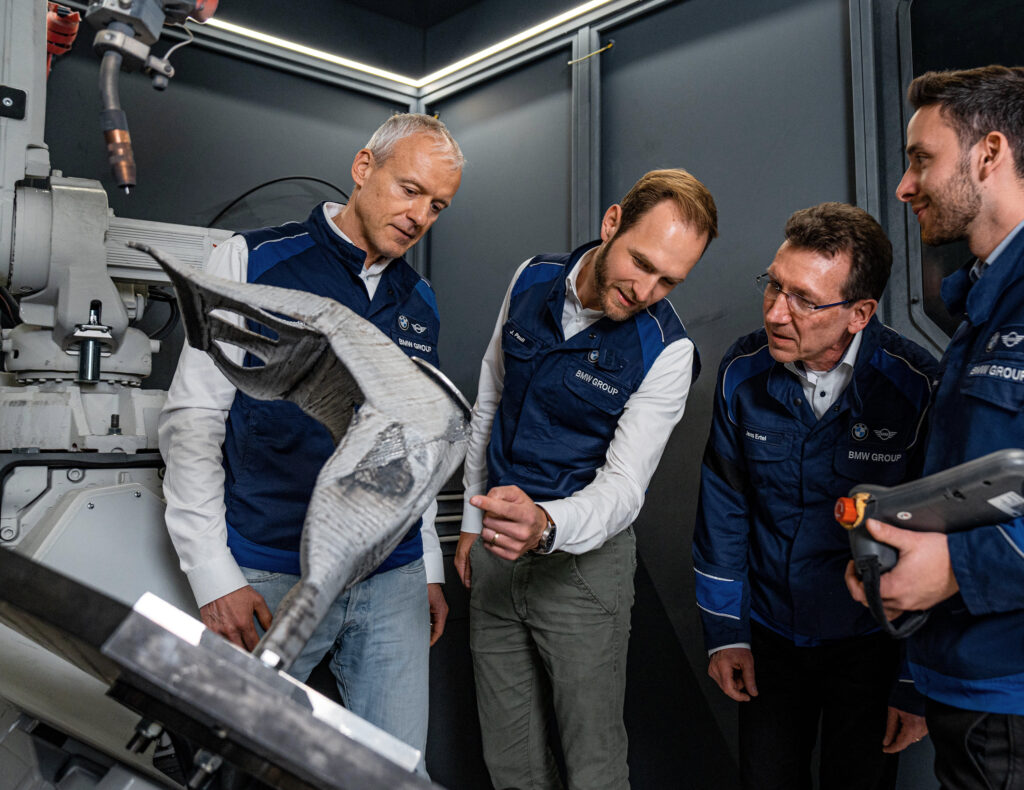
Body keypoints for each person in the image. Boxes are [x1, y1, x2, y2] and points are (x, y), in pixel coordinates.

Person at [158, 113, 463, 766]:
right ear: (364, 168)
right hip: (270, 573)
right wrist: (211, 574)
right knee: (233, 765)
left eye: (437, 205)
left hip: (392, 580)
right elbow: (192, 423)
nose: (419, 215)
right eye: (409, 189)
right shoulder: (253, 260)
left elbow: (416, 446)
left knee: (396, 773)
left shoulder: (421, 302)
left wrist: (429, 568)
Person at [453, 169, 717, 790]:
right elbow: (490, 397)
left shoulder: (668, 351)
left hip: (581, 567)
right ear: (611, 223)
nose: (646, 289)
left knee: (593, 767)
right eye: (641, 262)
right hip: (492, 546)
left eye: (669, 280)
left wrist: (545, 525)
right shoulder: (530, 277)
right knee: (509, 762)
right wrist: (470, 522)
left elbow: (625, 488)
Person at [693, 202, 938, 789]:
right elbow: (723, 507)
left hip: (872, 645)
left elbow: (938, 540)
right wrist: (726, 632)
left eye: (804, 298)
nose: (777, 313)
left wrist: (913, 682)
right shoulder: (742, 372)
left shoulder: (916, 387)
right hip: (772, 637)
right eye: (774, 287)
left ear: (860, 313)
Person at [845, 65, 1024, 790]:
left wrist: (953, 569)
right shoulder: (982, 305)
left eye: (922, 159)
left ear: (988, 153)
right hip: (964, 680)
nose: (904, 186)